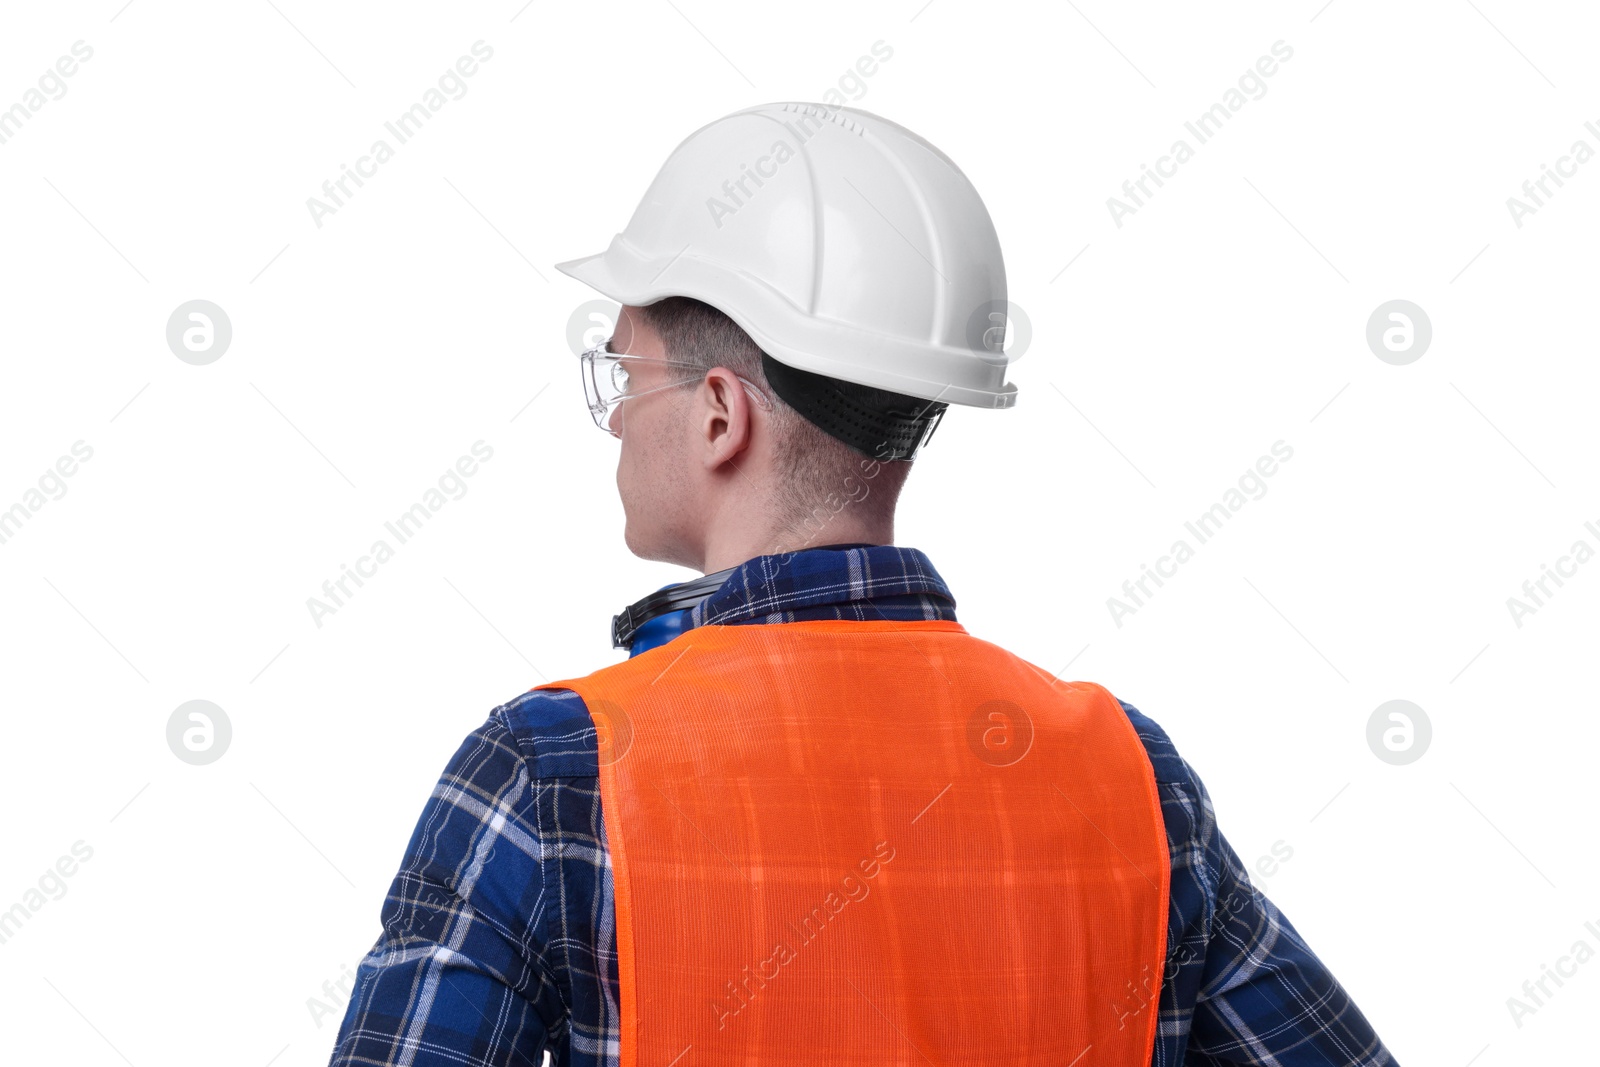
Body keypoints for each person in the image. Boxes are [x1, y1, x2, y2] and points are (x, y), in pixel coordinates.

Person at [327, 102, 1396, 1066]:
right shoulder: (1127, 774)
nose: (611, 413)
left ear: (717, 412)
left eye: (623, 369)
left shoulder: (552, 772)